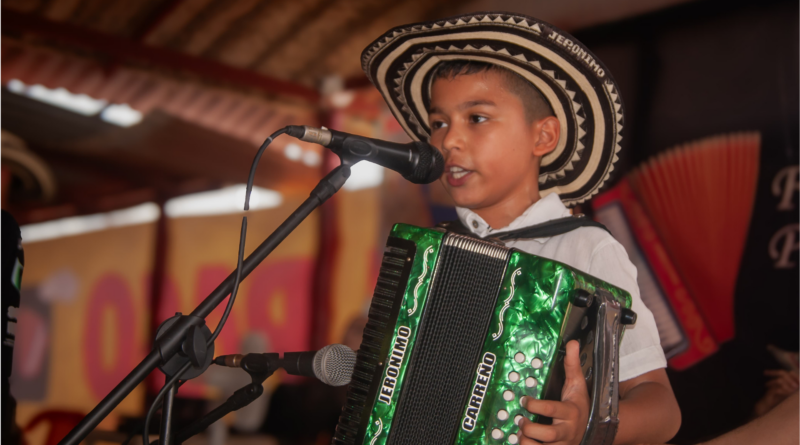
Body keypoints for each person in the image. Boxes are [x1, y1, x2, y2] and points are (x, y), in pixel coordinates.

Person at [360, 13, 681, 444]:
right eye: (438, 123)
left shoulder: (585, 249)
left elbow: (662, 407)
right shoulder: (429, 255)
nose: (448, 141)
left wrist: (585, 427)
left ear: (543, 137)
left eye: (476, 118)